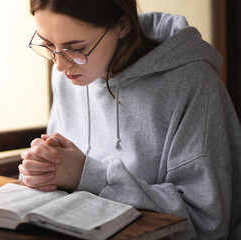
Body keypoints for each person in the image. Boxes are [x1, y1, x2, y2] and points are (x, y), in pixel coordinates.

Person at [18, 0, 241, 239]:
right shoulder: (66, 74)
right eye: (48, 45)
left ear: (122, 25)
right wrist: (43, 169)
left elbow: (207, 222)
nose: (60, 65)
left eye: (77, 48)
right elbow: (64, 172)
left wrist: (89, 175)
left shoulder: (193, 82)